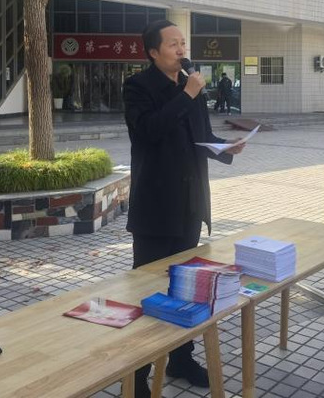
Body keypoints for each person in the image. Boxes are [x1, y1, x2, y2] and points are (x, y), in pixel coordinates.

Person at [123, 20, 244, 398]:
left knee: (186, 288)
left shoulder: (190, 85)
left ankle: (180, 358)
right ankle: (137, 374)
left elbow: (201, 137)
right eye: (173, 44)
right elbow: (148, 132)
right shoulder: (138, 87)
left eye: (183, 43)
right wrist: (187, 95)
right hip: (156, 209)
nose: (181, 49)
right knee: (149, 290)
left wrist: (225, 147)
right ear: (153, 52)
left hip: (191, 205)